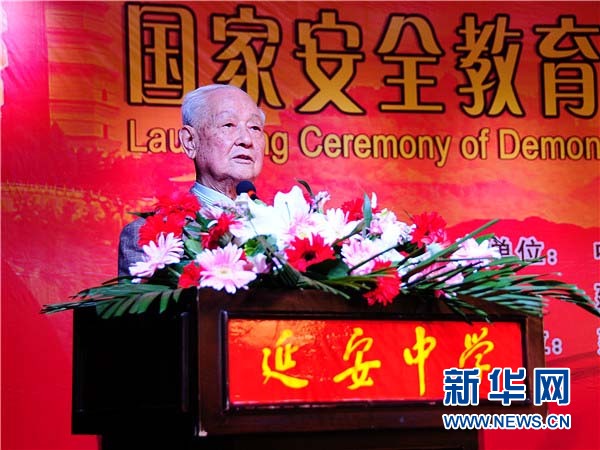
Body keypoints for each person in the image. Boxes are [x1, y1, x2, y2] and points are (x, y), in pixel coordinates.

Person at [117, 84, 266, 277]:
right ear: (190, 142)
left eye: (255, 128)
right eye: (228, 125)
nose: (246, 139)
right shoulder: (151, 237)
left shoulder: (283, 224)